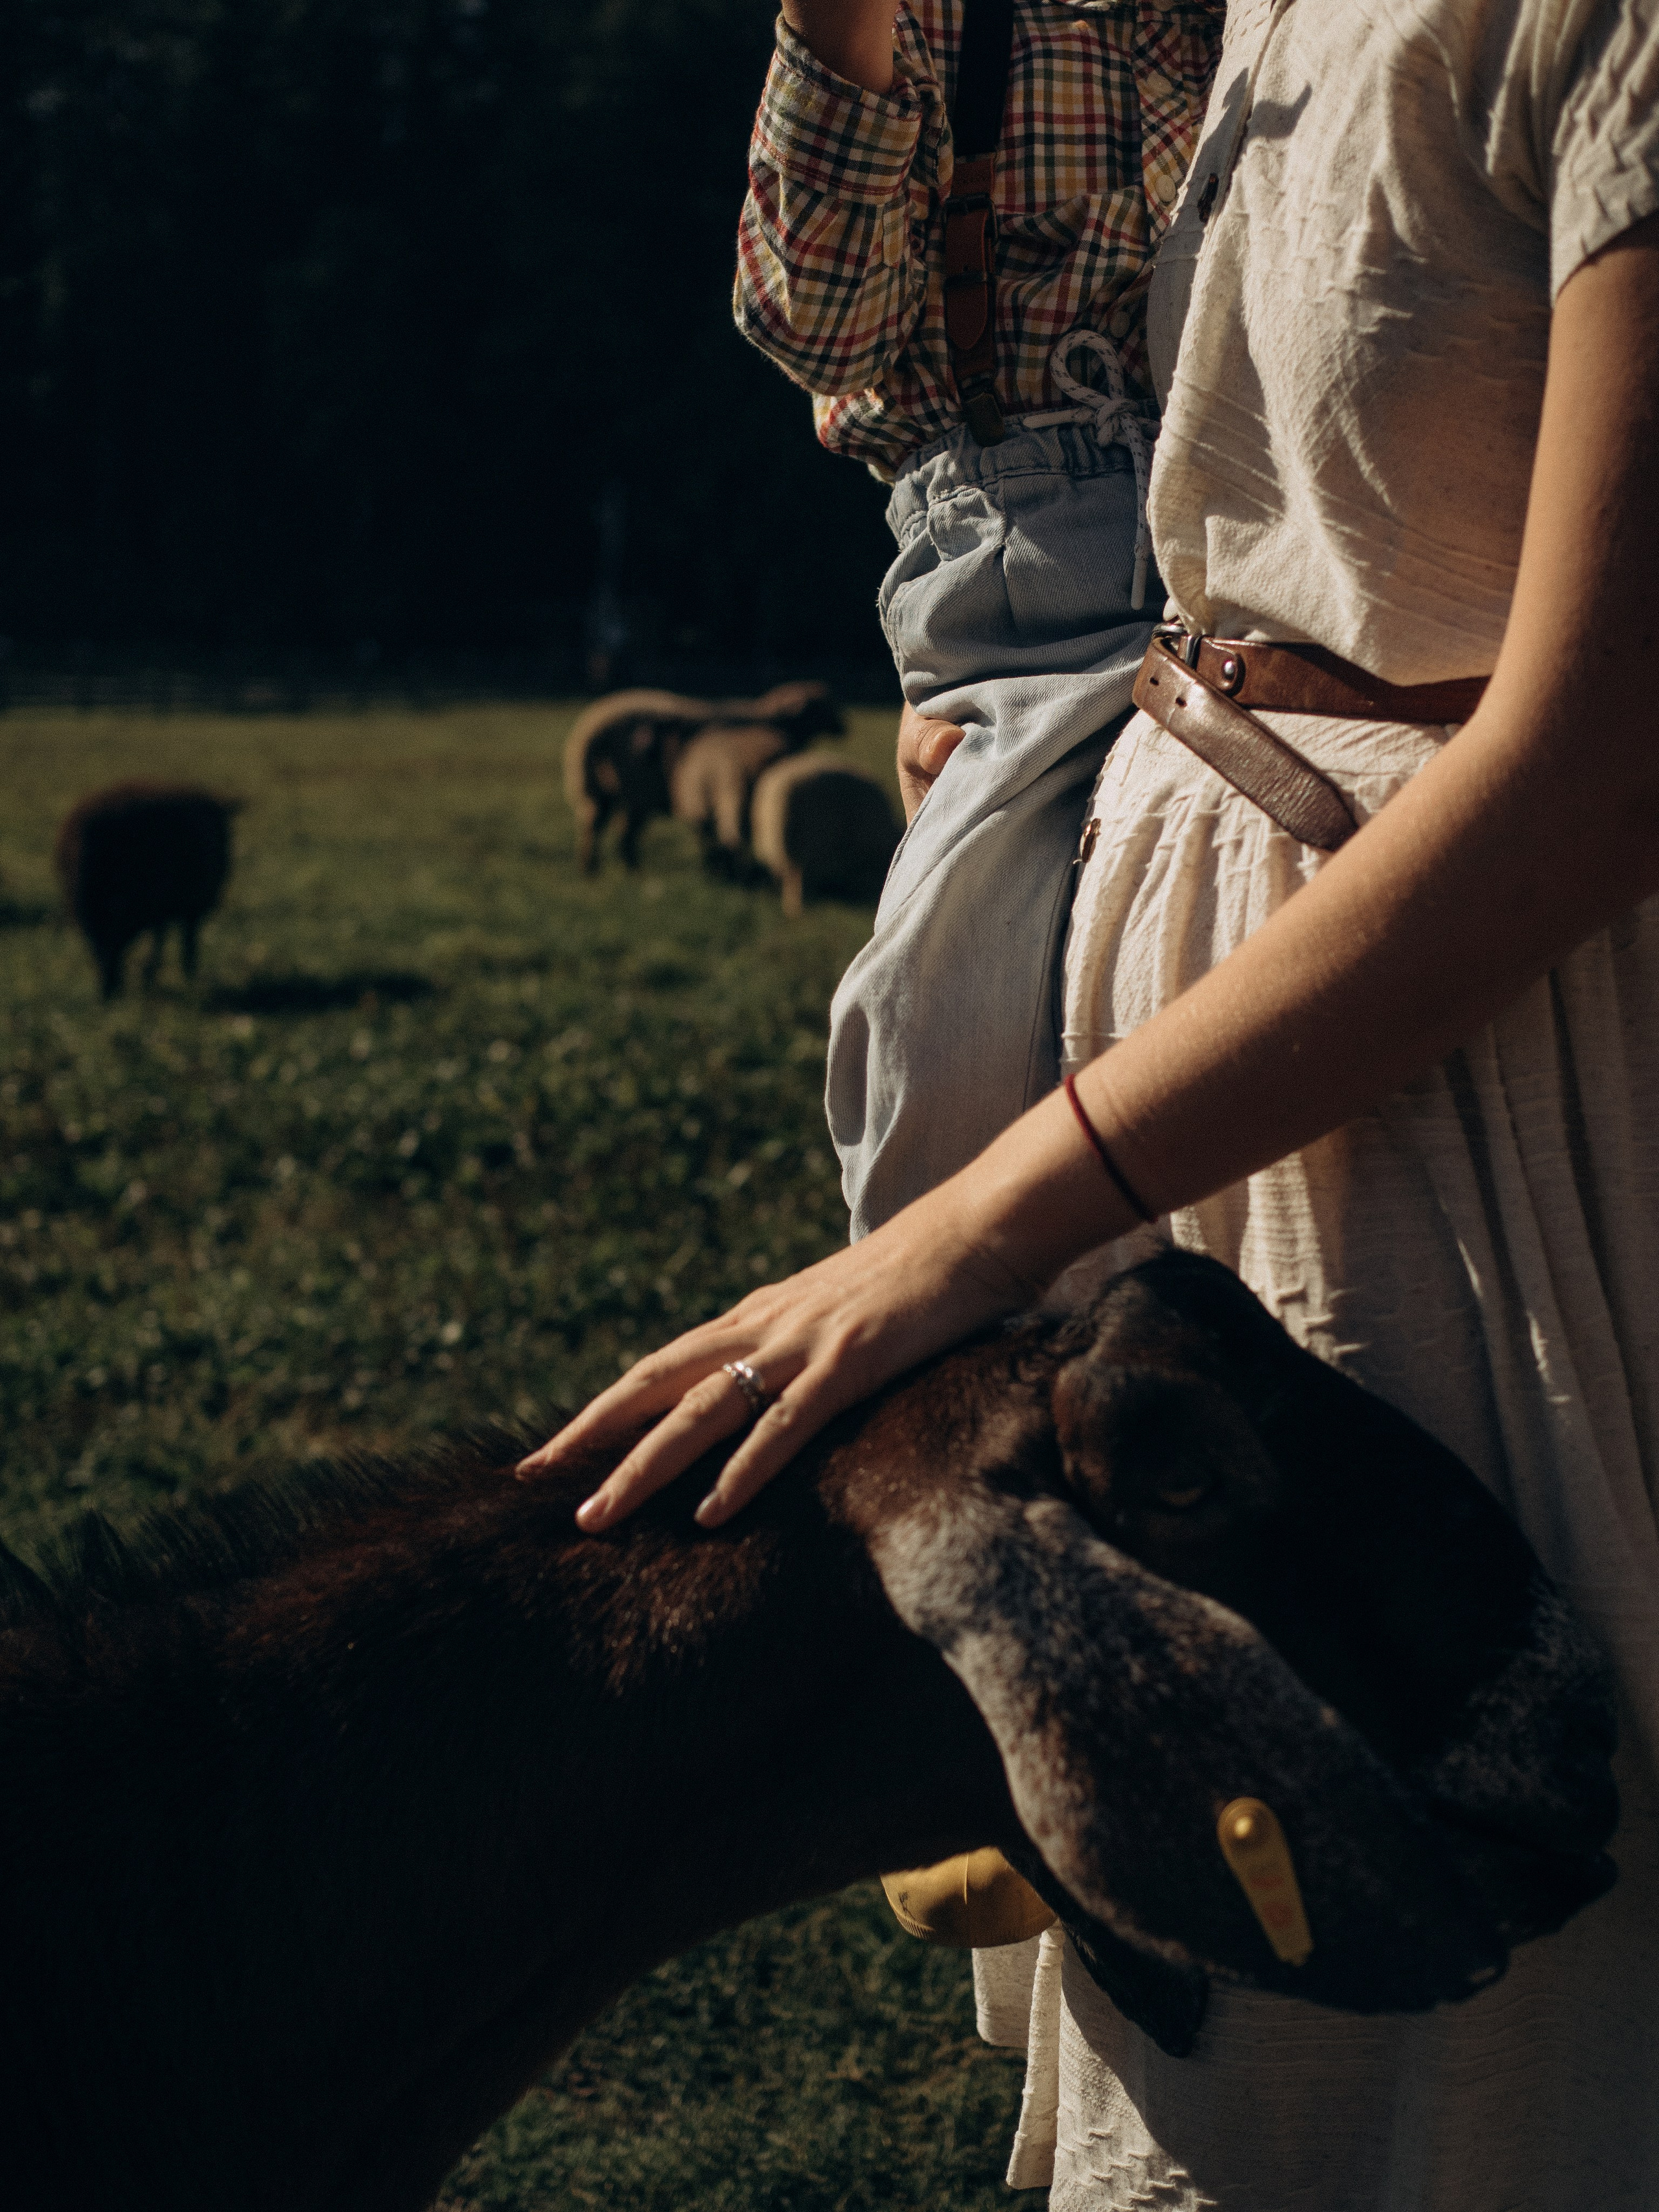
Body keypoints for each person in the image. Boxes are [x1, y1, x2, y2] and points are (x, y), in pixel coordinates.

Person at [525, 0, 1659, 2198]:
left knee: (1495, 1975)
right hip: (1183, 969)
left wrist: (973, 1232)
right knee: (1249, 1908)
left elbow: (1598, 748)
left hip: (1496, 1116)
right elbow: (963, 374)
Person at [735, 0, 1222, 1237]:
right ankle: (938, 1317)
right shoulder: (941, 24)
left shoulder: (1242, 27)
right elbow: (825, 330)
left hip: (1250, 499)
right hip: (1029, 561)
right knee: (947, 1003)